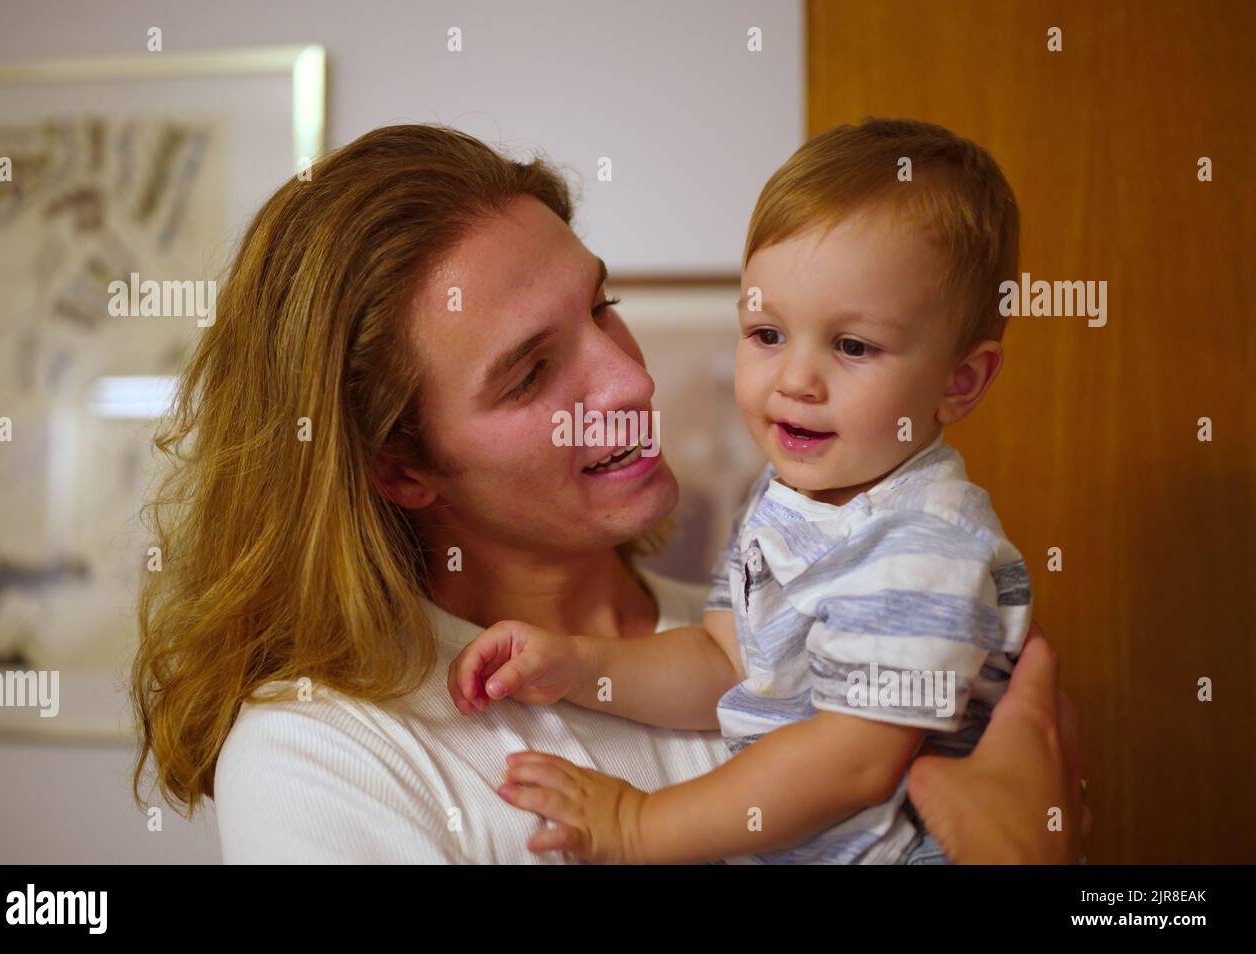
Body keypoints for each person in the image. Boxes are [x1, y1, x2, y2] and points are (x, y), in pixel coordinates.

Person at [128, 123, 1089, 864]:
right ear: (399, 468)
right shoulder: (327, 754)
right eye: (530, 373)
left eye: (600, 308)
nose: (630, 383)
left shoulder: (799, 602)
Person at [449, 119, 1032, 864]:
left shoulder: (922, 544)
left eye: (852, 346)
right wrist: (582, 666)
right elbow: (727, 661)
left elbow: (858, 758)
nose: (795, 381)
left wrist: (638, 825)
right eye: (767, 334)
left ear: (960, 381)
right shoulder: (790, 498)